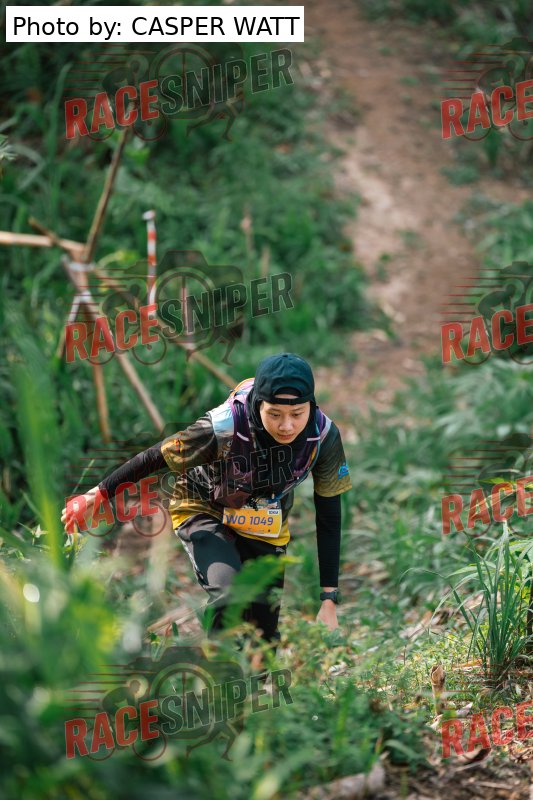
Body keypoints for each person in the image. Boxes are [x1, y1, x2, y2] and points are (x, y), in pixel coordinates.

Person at [62, 353, 352, 650]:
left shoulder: (324, 437)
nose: (287, 426)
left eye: (297, 414)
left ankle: (255, 677)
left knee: (263, 631)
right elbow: (157, 456)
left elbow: (329, 516)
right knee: (228, 596)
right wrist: (99, 493)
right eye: (275, 414)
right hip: (203, 505)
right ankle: (217, 669)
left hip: (263, 519)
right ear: (258, 405)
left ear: (311, 406)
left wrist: (328, 598)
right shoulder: (223, 425)